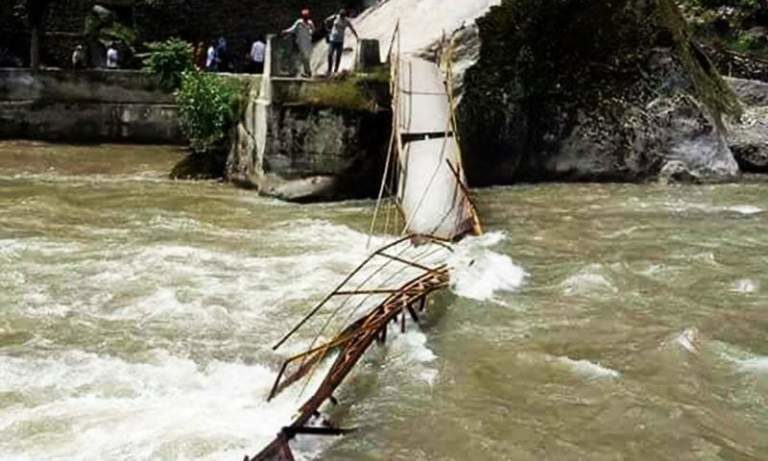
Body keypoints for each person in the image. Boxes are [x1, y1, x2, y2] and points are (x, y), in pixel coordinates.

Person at [282, 9, 315, 77]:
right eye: (304, 16)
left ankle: (307, 72)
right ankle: (303, 71)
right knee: (301, 57)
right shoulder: (299, 22)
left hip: (307, 43)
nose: (305, 18)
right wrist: (286, 31)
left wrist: (310, 32)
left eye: (306, 16)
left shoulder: (310, 23)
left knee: (305, 58)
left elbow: (313, 30)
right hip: (300, 43)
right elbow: (293, 29)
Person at [324, 9, 358, 75]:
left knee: (338, 55)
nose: (341, 17)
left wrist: (356, 36)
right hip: (333, 39)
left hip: (340, 40)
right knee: (330, 54)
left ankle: (336, 70)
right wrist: (327, 30)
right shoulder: (335, 17)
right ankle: (329, 69)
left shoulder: (346, 21)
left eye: (343, 16)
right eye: (341, 15)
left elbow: (352, 28)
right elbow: (326, 21)